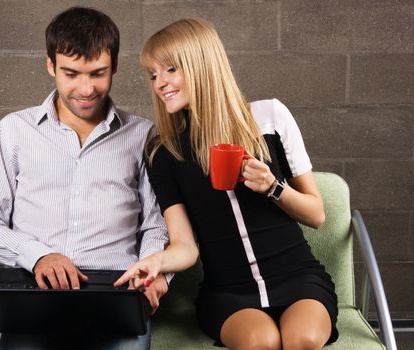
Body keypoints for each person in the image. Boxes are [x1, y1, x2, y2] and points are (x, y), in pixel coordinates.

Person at [115, 18, 338, 350]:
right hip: (229, 291)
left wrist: (273, 187)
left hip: (299, 277)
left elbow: (316, 214)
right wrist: (155, 261)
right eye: (153, 74)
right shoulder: (163, 150)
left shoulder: (270, 118)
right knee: (261, 341)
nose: (159, 83)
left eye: (170, 69)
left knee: (301, 339)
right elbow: (185, 246)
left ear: (201, 64)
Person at [0, 7, 170, 350]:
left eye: (98, 73)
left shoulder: (143, 135)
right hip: (36, 291)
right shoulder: (15, 130)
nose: (85, 88)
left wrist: (152, 272)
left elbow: (156, 225)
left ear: (115, 66)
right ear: (50, 65)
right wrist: (38, 256)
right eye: (71, 74)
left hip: (116, 292)